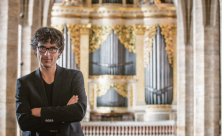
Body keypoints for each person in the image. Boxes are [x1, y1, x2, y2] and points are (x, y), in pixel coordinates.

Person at [15, 27, 87, 136]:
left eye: (52, 48)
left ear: (59, 51)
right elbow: (24, 122)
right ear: (35, 49)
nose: (47, 54)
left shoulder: (74, 77)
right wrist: (63, 117)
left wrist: (41, 112)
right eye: (42, 48)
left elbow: (79, 112)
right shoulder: (24, 83)